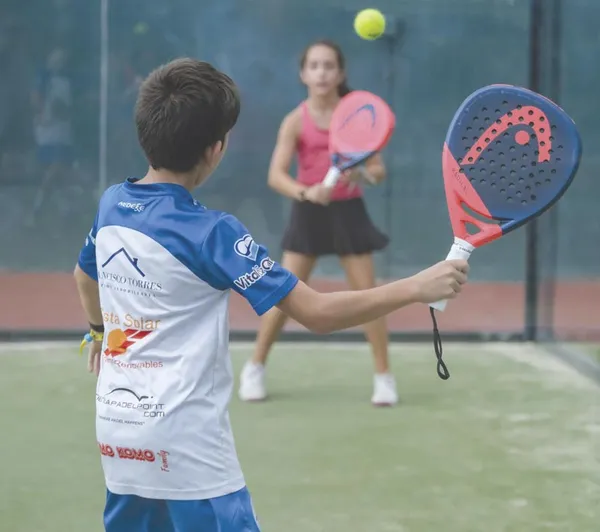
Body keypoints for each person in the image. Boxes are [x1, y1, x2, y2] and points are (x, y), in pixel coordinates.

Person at [74, 57, 469, 532]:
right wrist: (415, 287)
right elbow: (317, 313)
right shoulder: (214, 232)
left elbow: (84, 276)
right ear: (216, 149)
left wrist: (98, 331)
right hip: (188, 450)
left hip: (117, 434)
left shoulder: (112, 204)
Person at [239, 40, 396, 406]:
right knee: (283, 297)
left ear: (340, 74)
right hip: (308, 212)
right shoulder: (295, 121)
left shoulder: (357, 117)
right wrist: (306, 192)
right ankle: (255, 367)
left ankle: (384, 377)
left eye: (329, 66)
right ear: (303, 74)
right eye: (314, 66)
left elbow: (378, 172)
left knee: (368, 298)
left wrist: (361, 174)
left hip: (349, 212)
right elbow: (276, 176)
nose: (322, 73)